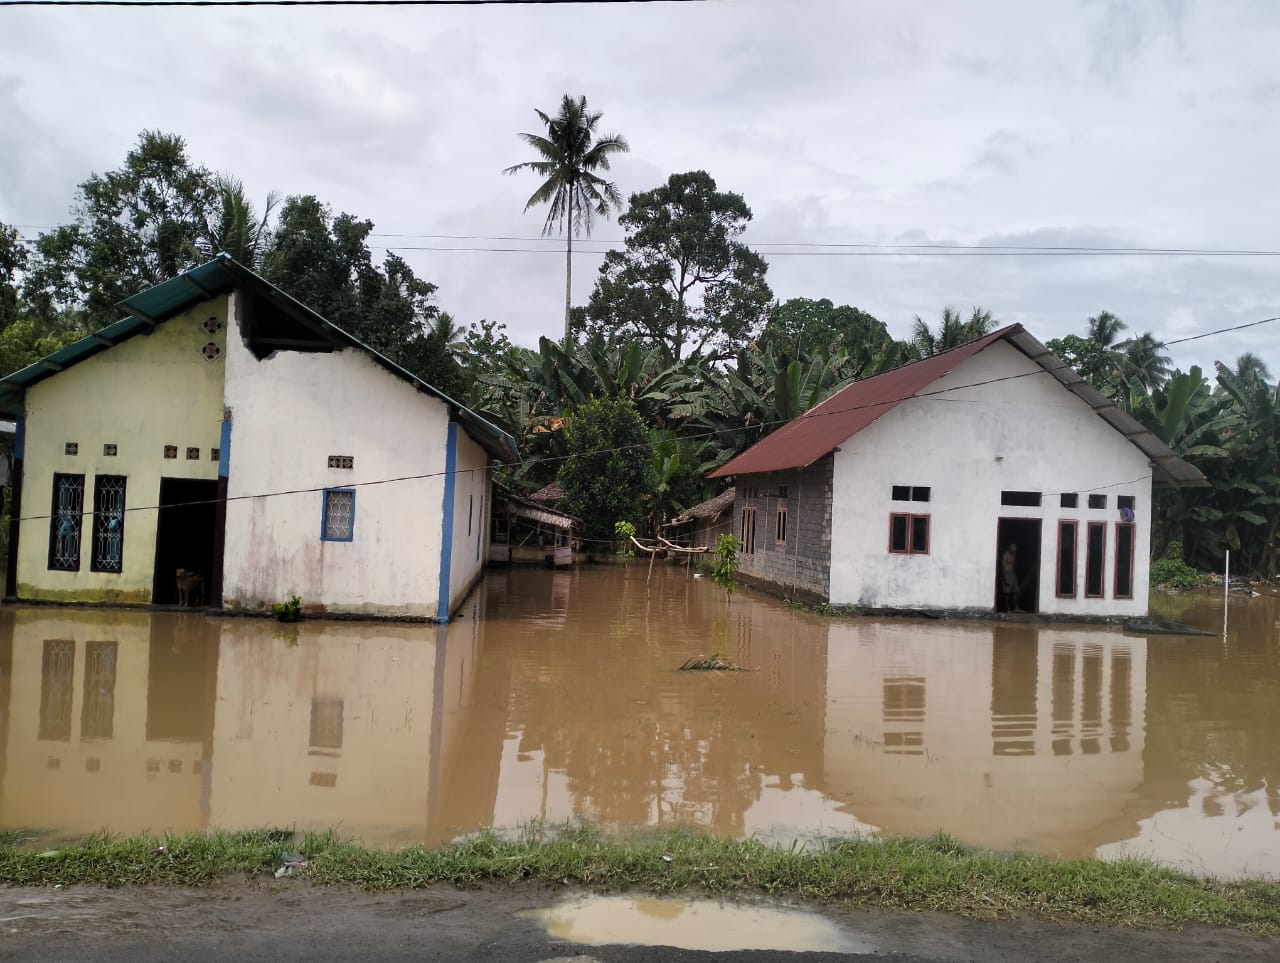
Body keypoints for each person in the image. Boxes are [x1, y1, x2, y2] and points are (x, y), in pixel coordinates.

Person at [1001, 543, 1020, 612]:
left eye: (1015, 546)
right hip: (1007, 574)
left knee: (1015, 591)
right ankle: (1008, 609)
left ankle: (1016, 608)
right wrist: (1005, 578)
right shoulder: (1006, 554)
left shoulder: (1013, 555)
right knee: (1007, 592)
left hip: (1012, 574)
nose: (1015, 548)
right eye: (1013, 546)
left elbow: (1014, 565)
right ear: (1009, 547)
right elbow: (1003, 566)